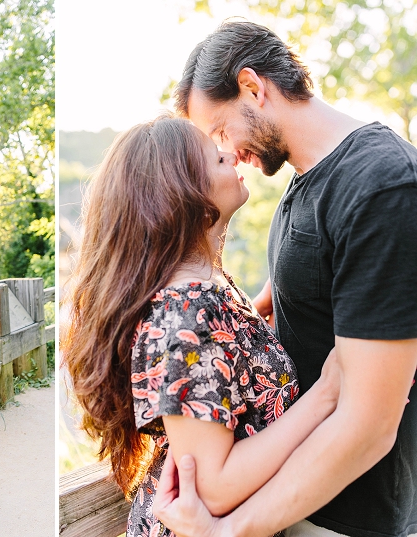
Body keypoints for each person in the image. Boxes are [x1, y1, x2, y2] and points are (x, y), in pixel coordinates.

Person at [153, 20, 417, 537]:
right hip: (293, 499)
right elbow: (291, 310)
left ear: (253, 87)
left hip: (353, 516)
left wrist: (230, 531)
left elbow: (370, 425)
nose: (227, 151)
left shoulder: (382, 186)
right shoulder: (305, 184)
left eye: (222, 130)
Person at [62, 114, 340, 537]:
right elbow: (215, 486)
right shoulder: (187, 314)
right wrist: (328, 394)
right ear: (182, 193)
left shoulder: (206, 296)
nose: (229, 153)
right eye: (215, 157)